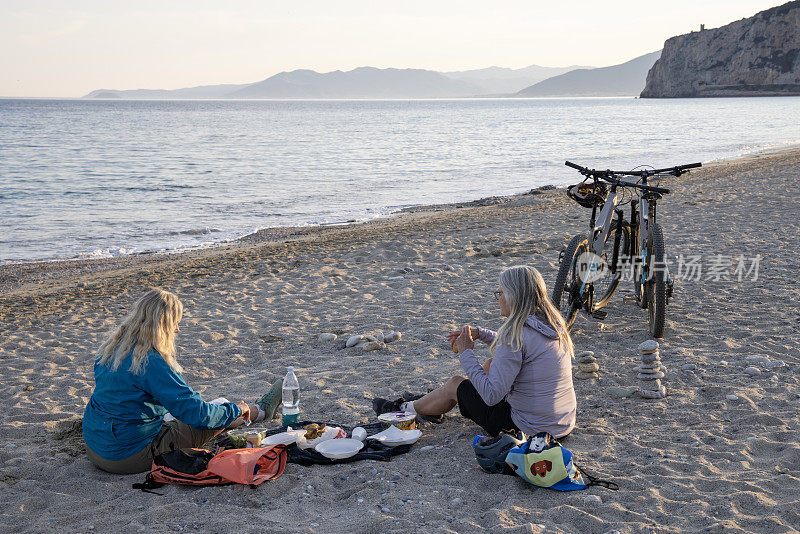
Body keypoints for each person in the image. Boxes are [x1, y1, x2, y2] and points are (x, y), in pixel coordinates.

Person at [82, 288, 283, 474]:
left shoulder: (111, 350)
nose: (177, 329)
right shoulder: (151, 362)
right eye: (175, 322)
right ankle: (259, 410)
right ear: (163, 325)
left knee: (174, 410)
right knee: (219, 406)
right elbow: (198, 414)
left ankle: (248, 411)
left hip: (95, 447)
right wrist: (236, 410)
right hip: (128, 457)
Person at [374, 265, 576, 439]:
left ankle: (403, 409)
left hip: (528, 429)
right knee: (489, 365)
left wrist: (466, 353)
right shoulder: (551, 324)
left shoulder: (513, 335)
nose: (498, 298)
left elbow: (491, 396)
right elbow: (518, 350)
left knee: (455, 383)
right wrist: (481, 334)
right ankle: (434, 402)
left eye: (500, 293)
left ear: (514, 296)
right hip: (560, 424)